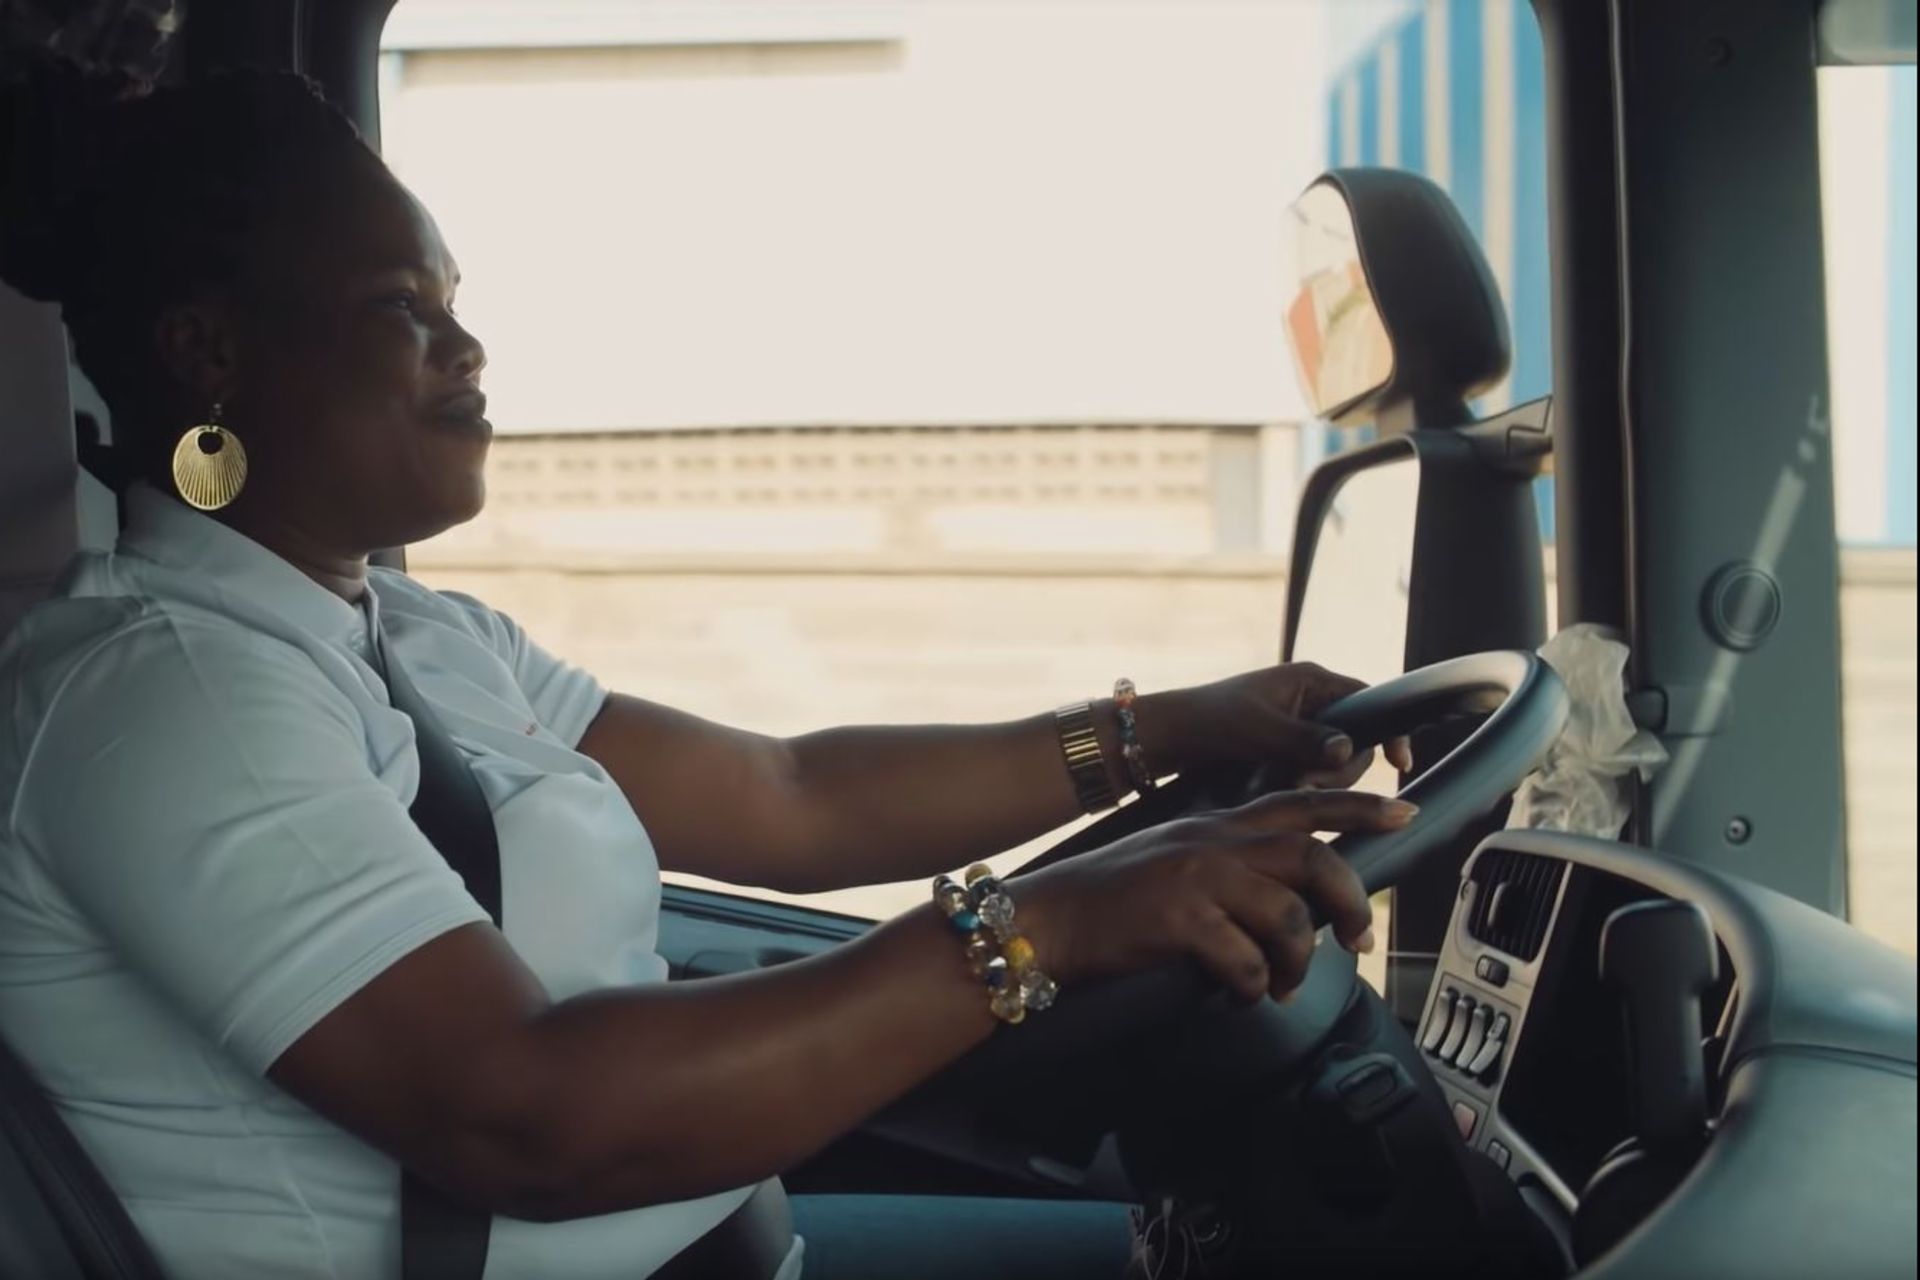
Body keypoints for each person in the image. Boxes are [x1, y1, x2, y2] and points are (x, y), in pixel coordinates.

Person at [0, 71, 1415, 1280]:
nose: (469, 344)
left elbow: (789, 796)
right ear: (209, 355)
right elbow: (529, 1122)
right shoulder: (163, 705)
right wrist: (1044, 928)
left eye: (455, 300)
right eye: (398, 306)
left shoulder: (413, 638)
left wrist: (1158, 732)